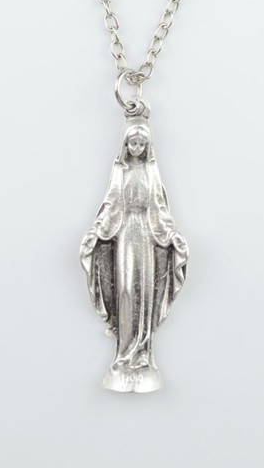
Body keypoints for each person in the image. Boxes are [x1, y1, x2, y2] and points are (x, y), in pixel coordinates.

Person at [80, 115, 189, 392]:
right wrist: (97, 230)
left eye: (142, 143)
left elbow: (159, 207)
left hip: (148, 236)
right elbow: (111, 204)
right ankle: (123, 354)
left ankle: (143, 355)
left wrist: (171, 233)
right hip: (125, 235)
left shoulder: (151, 171)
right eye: (133, 143)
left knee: (145, 293)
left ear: (148, 146)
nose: (137, 148)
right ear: (125, 144)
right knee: (127, 291)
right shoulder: (120, 171)